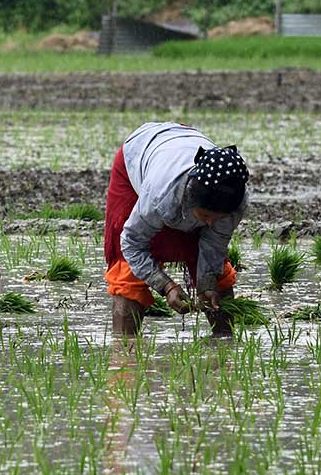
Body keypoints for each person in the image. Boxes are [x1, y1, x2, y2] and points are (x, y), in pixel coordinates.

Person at [103, 121, 249, 336]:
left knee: (217, 279)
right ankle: (125, 355)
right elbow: (132, 244)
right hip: (139, 155)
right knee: (129, 275)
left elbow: (214, 246)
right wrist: (166, 286)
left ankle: (224, 346)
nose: (210, 224)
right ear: (190, 201)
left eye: (219, 218)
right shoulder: (160, 195)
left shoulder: (235, 200)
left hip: (177, 148)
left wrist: (207, 284)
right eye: (206, 216)